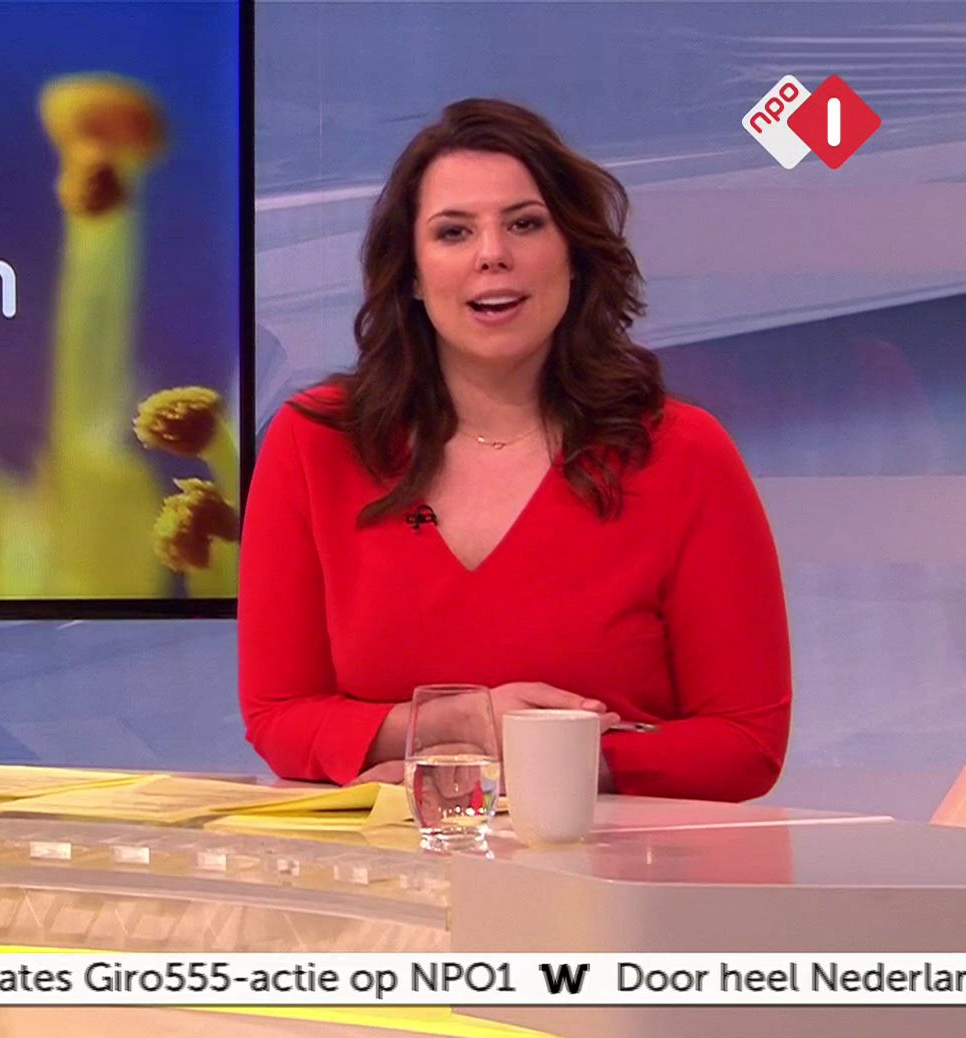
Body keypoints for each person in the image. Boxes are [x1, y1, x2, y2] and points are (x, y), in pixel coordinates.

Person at [238, 99, 791, 802]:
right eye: (454, 231)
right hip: (396, 863)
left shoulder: (682, 453)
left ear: (574, 256)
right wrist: (463, 723)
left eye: (525, 224)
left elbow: (745, 742)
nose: (492, 253)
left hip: (613, 860)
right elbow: (279, 716)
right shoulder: (317, 443)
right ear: (412, 274)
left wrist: (535, 763)